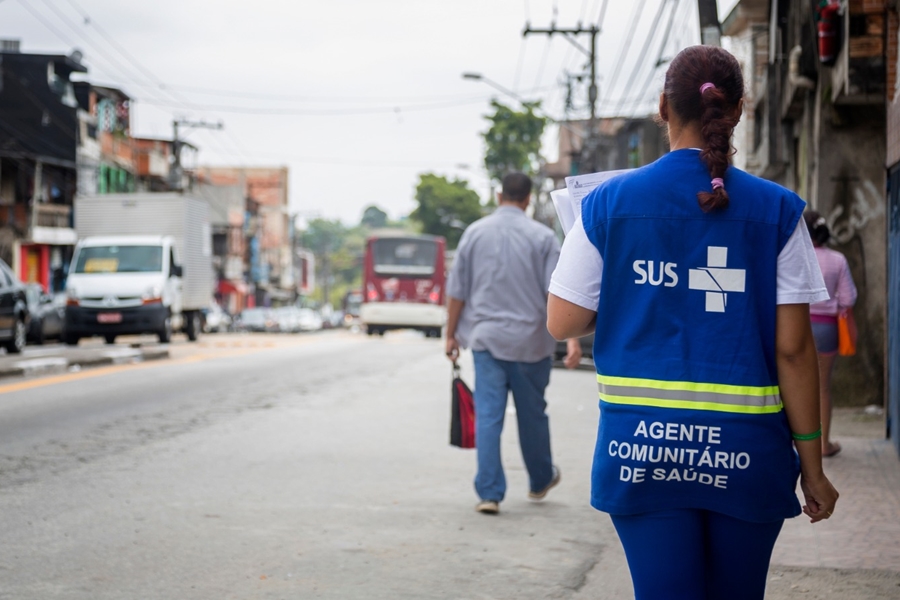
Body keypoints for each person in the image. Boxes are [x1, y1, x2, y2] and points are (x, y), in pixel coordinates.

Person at [545, 45, 839, 600]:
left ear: (663, 106)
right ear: (738, 110)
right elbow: (796, 352)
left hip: (641, 450)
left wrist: (635, 279)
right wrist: (813, 466)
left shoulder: (606, 205)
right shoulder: (778, 211)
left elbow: (562, 322)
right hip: (747, 451)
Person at [445, 171, 581, 515]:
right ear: (528, 199)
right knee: (532, 414)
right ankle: (539, 481)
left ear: (498, 195)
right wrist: (574, 339)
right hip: (531, 345)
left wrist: (450, 334)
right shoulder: (543, 238)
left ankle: (489, 492)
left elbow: (457, 291)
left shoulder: (474, 234)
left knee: (489, 416)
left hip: (486, 341)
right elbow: (558, 293)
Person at [805, 211, 857, 458]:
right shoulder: (838, 259)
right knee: (822, 387)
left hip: (798, 327)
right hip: (828, 328)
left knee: (794, 384)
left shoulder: (796, 257)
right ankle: (824, 444)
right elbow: (848, 298)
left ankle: (796, 443)